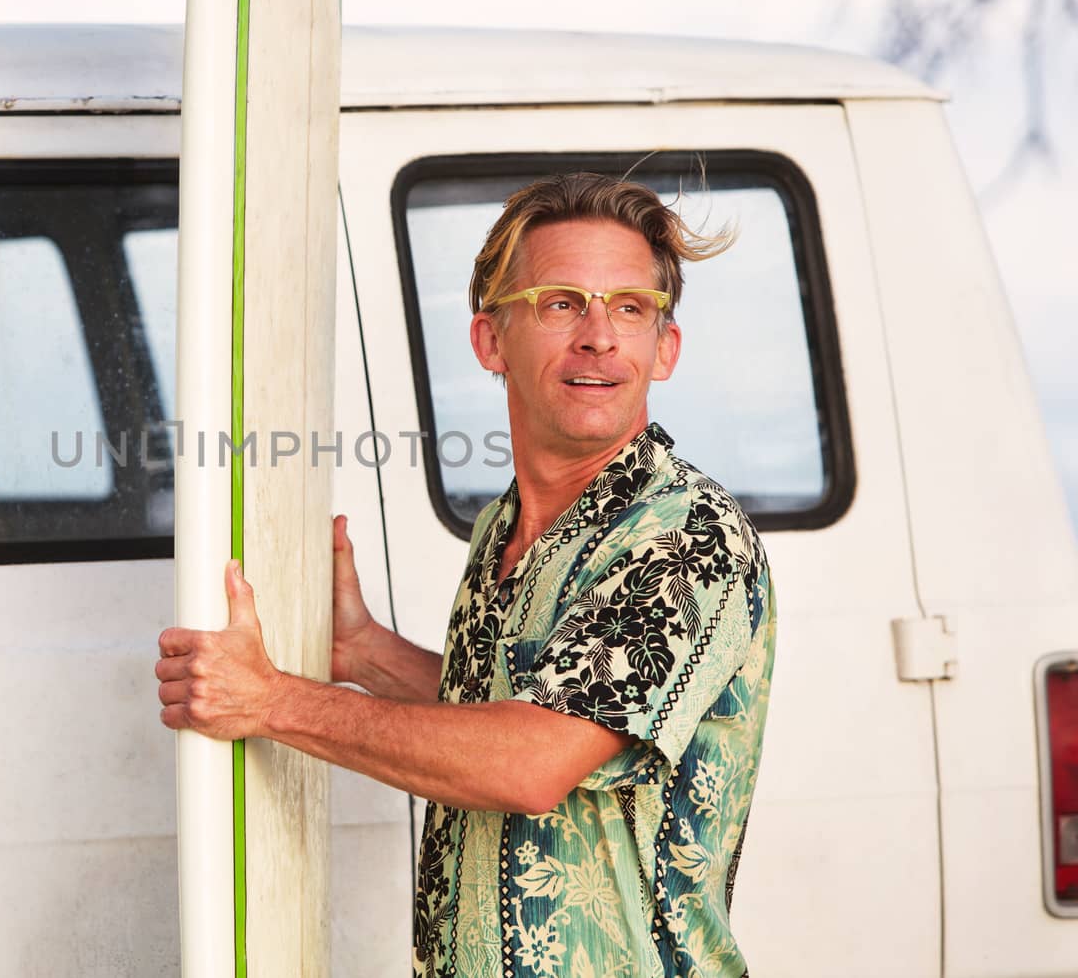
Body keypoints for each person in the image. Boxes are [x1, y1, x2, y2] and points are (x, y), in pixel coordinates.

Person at [155, 172, 776, 978]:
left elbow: (530, 761)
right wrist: (366, 652)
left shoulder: (686, 532)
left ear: (666, 347)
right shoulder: (505, 526)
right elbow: (508, 710)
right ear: (490, 341)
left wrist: (271, 700)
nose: (599, 336)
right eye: (561, 302)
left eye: (631, 307)